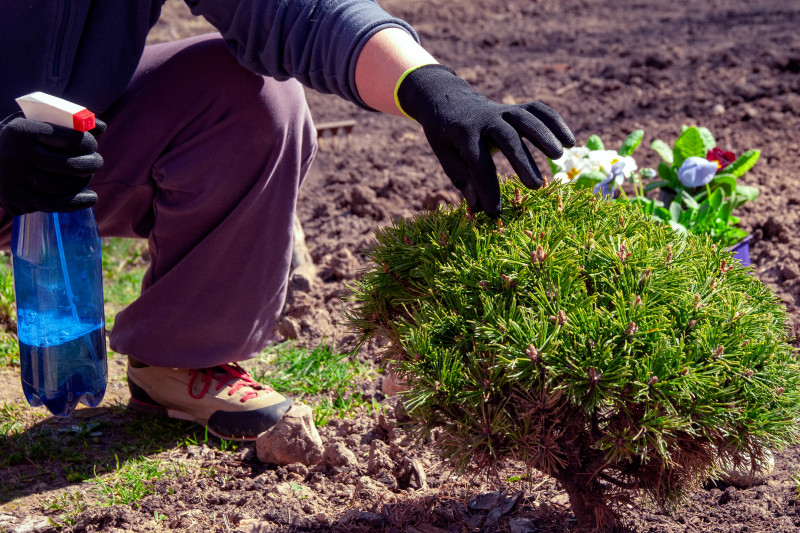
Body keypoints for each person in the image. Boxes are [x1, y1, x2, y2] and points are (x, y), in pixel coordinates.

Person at [0, 0, 574, 441]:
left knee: (249, 97)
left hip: (62, 150)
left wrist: (432, 89)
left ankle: (179, 357)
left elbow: (298, 9)